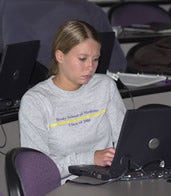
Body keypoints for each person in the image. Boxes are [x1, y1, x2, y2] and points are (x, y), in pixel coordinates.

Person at [19, 20, 126, 183]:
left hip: (107, 181)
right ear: (60, 56)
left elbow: (125, 142)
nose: (90, 67)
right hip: (63, 188)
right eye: (82, 59)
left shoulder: (105, 86)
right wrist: (90, 158)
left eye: (96, 59)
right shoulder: (36, 101)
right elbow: (38, 170)